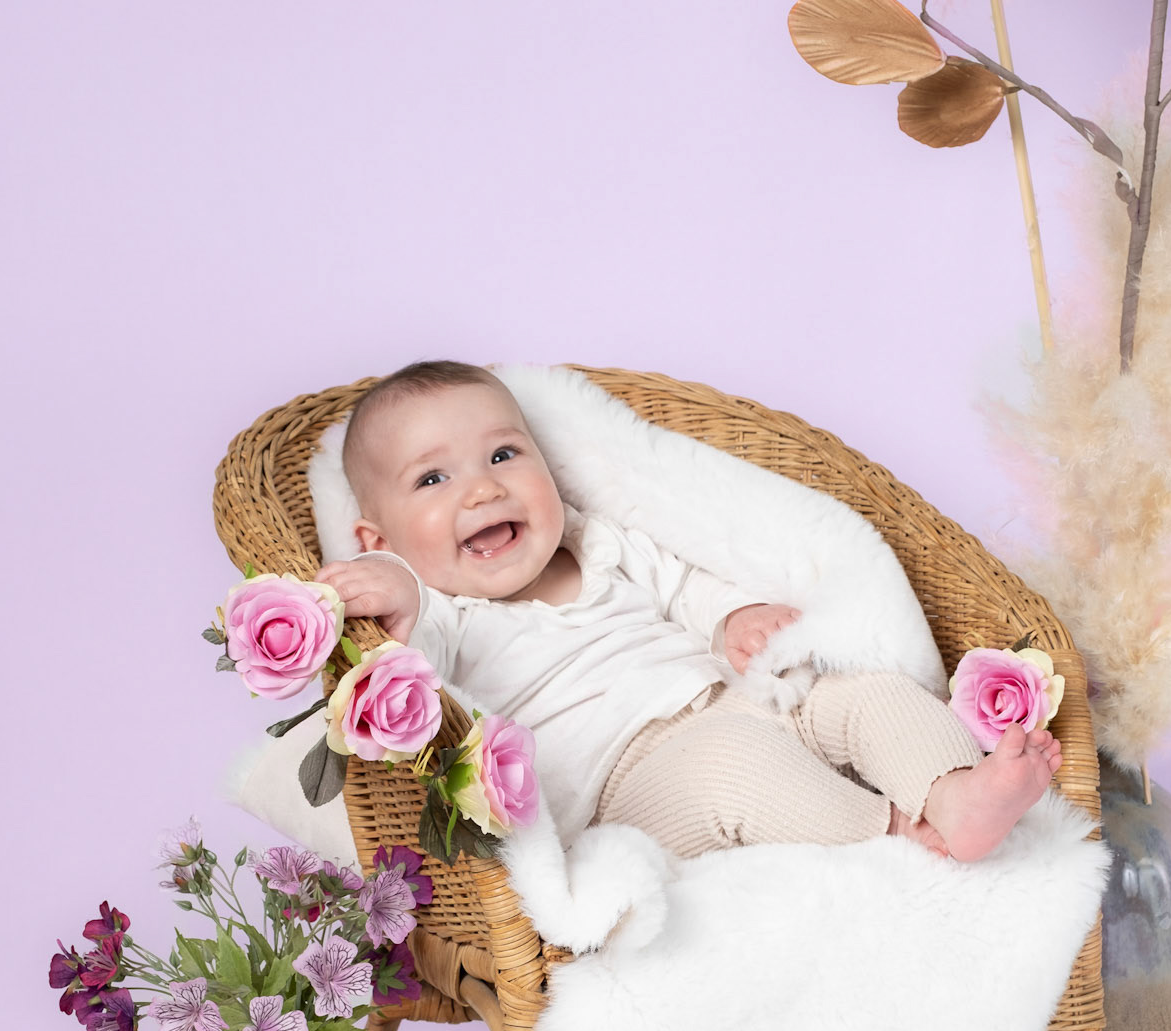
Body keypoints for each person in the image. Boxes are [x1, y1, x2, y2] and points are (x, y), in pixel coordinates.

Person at [316, 360, 1062, 860]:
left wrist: (733, 619)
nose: (483, 489)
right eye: (434, 479)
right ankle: (896, 834)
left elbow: (685, 586)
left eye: (504, 455)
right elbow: (418, 663)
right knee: (732, 768)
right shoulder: (445, 614)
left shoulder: (597, 544)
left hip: (736, 700)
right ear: (379, 539)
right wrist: (390, 584)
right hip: (632, 790)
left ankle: (953, 791)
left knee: (864, 691)